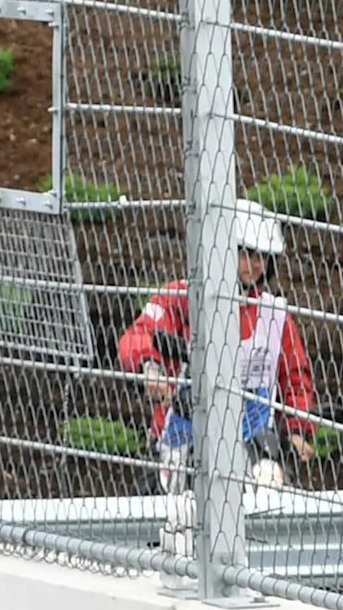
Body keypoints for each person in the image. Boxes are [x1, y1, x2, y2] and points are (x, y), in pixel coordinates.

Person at [116, 198, 316, 504]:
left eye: (262, 256)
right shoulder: (185, 297)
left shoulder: (275, 316)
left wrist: (298, 429)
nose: (256, 264)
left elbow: (295, 377)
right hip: (179, 443)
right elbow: (139, 334)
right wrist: (150, 367)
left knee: (269, 487)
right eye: (246, 254)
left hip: (253, 445)